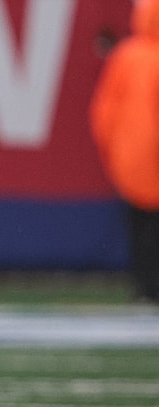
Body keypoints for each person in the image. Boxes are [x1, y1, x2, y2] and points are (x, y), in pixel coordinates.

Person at [90, 0, 159, 304]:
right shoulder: (132, 55)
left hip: (132, 157)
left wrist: (114, 150)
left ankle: (144, 287)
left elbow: (104, 112)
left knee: (140, 226)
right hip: (144, 155)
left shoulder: (127, 55)